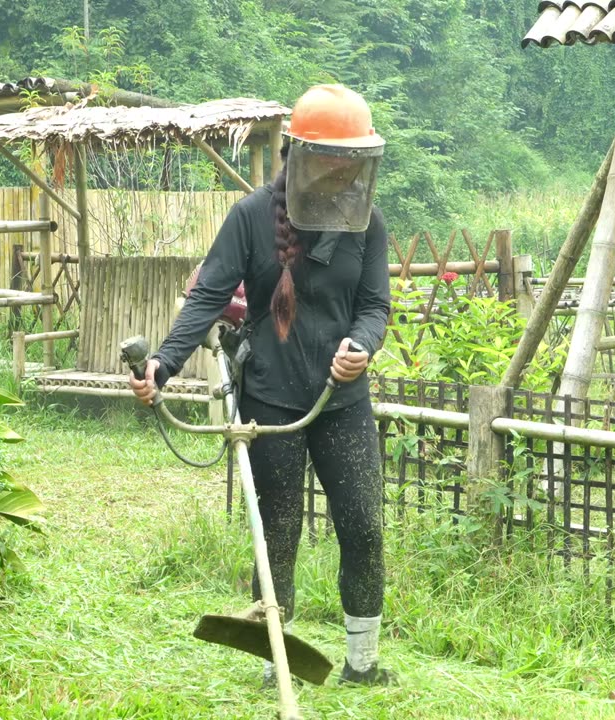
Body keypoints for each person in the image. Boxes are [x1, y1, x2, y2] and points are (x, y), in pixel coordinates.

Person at [128, 83, 394, 686]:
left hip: (341, 400)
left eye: (353, 159)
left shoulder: (367, 223)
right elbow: (207, 297)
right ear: (298, 156)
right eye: (333, 158)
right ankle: (279, 663)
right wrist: (163, 364)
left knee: (364, 525)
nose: (343, 170)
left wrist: (363, 345)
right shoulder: (250, 218)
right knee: (276, 532)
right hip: (269, 403)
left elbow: (375, 305)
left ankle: (363, 662)